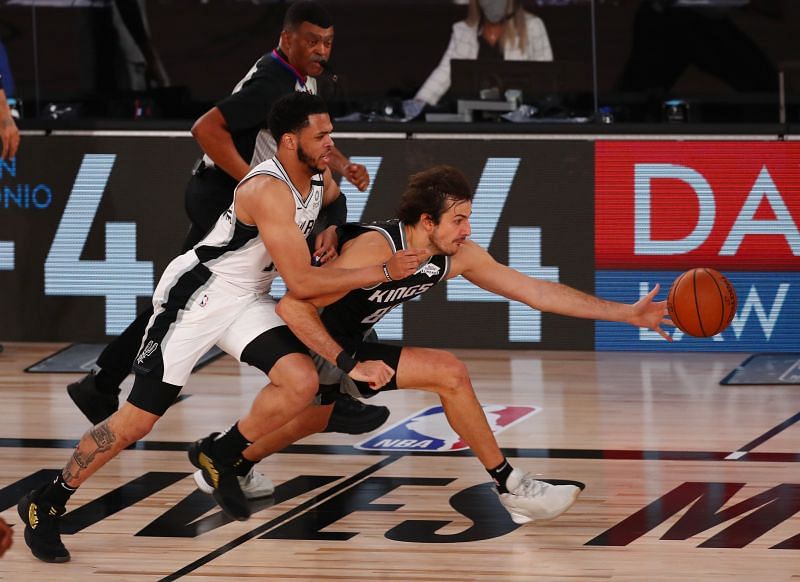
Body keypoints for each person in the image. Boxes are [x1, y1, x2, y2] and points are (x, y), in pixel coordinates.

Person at [16, 92, 427, 564]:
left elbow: (333, 203)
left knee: (300, 381)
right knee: (137, 421)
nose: (332, 144)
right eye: (323, 135)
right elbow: (301, 282)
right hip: (198, 297)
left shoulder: (319, 175)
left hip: (248, 298)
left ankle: (221, 452)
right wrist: (384, 272)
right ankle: (47, 502)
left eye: (331, 133)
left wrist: (332, 228)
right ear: (291, 141)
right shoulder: (266, 189)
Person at [192, 165, 672, 524]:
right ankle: (512, 485)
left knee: (322, 415)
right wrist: (347, 361)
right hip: (311, 340)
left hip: (349, 341)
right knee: (442, 373)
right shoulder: (377, 250)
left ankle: (227, 457)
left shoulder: (455, 256)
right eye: (459, 220)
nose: (467, 231)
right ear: (427, 221)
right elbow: (294, 308)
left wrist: (626, 313)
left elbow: (537, 292)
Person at [67, 0, 388, 439]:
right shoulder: (273, 80)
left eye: (328, 42)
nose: (321, 50)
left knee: (187, 291)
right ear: (286, 39)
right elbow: (205, 129)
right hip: (222, 193)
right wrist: (258, 186)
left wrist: (343, 164)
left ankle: (101, 381)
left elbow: (307, 135)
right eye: (312, 40)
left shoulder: (300, 79)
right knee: (291, 280)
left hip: (241, 194)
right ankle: (329, 393)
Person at [413, 0, 553, 107]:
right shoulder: (464, 31)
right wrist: (417, 104)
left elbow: (547, 78)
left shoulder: (533, 26)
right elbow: (445, 72)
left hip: (519, 119)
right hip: (474, 116)